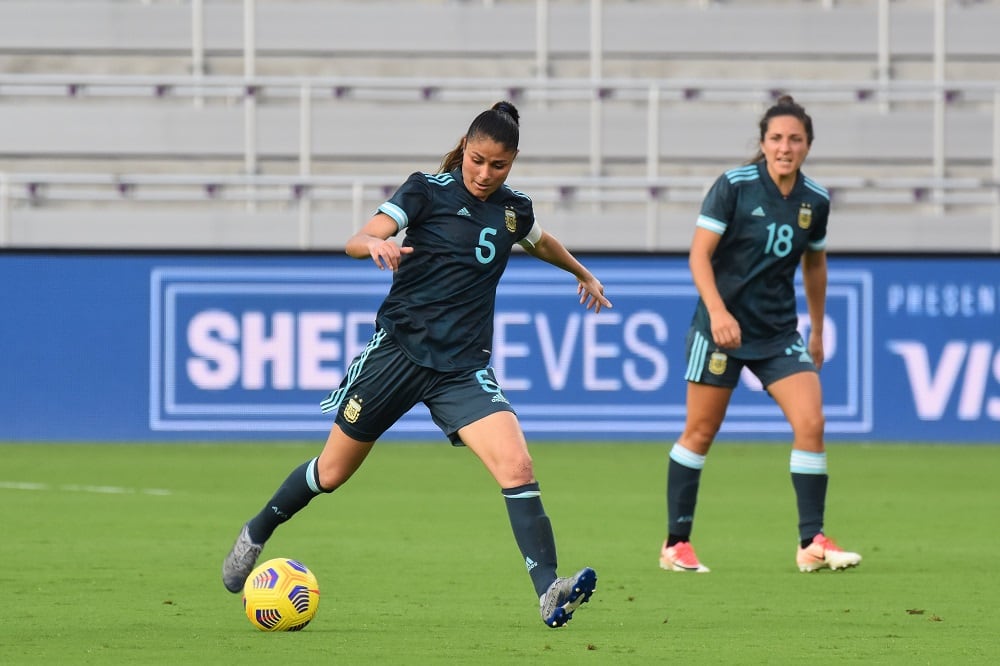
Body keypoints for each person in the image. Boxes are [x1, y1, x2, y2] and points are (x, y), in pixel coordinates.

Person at [222, 101, 610, 628]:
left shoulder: (513, 208)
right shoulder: (427, 190)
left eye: (498, 166)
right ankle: (257, 531)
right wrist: (376, 244)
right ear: (464, 149)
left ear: (513, 162)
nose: (484, 173)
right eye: (477, 160)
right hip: (398, 354)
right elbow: (357, 239)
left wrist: (582, 274)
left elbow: (539, 241)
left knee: (517, 466)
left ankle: (549, 591)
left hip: (461, 368)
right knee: (331, 472)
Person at [658, 95, 861, 574]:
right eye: (776, 138)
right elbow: (698, 256)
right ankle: (676, 544)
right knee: (700, 432)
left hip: (777, 333)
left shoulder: (816, 200)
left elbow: (814, 263)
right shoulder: (734, 186)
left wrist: (815, 328)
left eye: (795, 139)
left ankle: (812, 541)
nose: (785, 147)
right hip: (720, 331)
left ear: (808, 145)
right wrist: (718, 312)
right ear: (763, 143)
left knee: (811, 422)